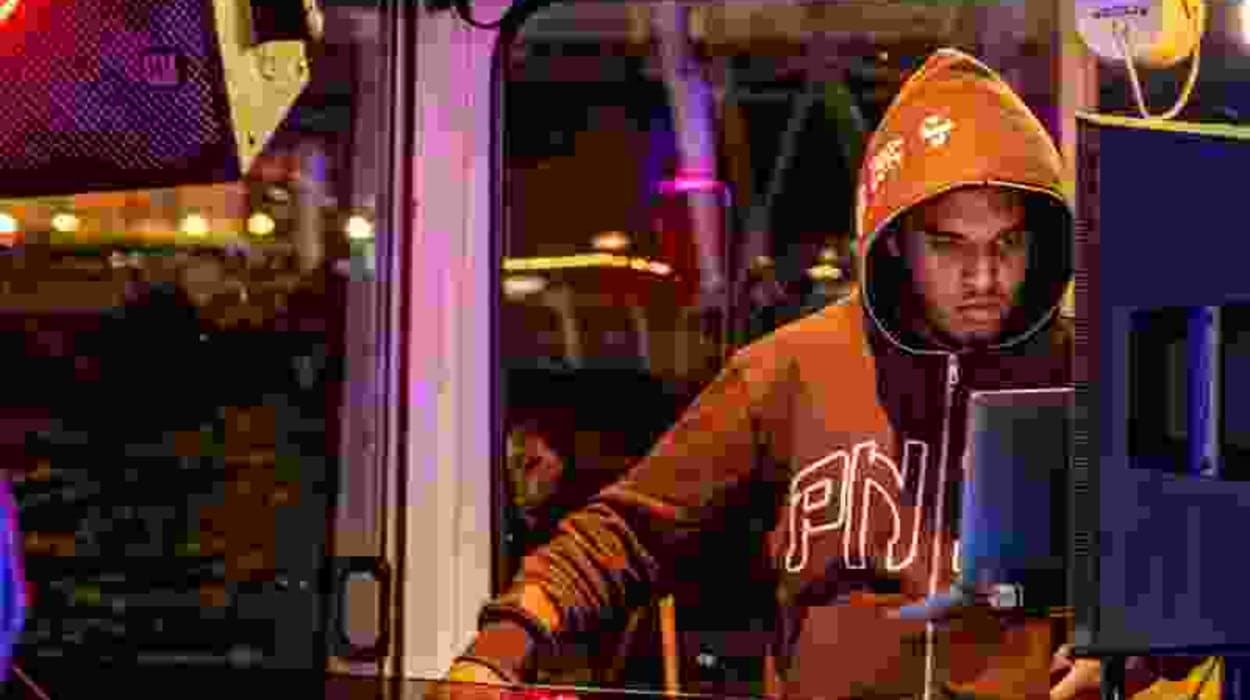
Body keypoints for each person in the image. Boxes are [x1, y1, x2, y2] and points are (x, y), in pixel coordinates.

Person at [443, 47, 1095, 699]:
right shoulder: (790, 370)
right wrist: (502, 647)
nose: (983, 276)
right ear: (896, 239)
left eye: (1007, 242)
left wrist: (1124, 653)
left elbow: (1147, 569)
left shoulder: (1083, 372)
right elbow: (630, 531)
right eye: (949, 244)